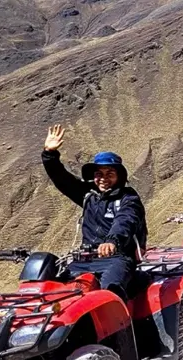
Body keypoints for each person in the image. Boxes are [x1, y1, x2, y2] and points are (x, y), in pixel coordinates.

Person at [41, 124, 147, 300]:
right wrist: (49, 154)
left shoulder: (128, 197)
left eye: (109, 173)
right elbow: (62, 180)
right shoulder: (88, 195)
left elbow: (125, 220)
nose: (103, 178)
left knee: (110, 293)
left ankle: (120, 327)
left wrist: (112, 241)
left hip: (116, 258)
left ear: (119, 176)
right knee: (54, 290)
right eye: (99, 173)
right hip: (84, 260)